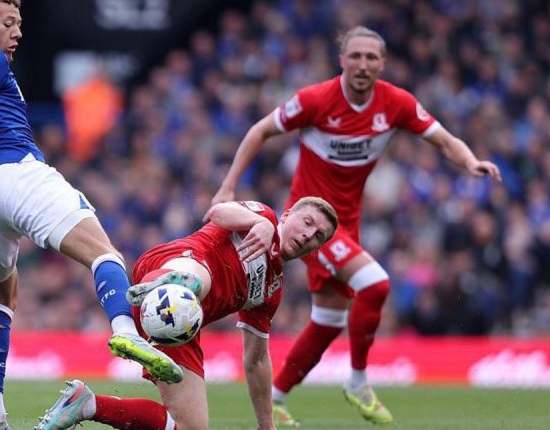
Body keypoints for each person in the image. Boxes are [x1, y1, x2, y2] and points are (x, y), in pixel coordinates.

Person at [0, 0, 184, 430]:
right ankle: (126, 333)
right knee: (104, 254)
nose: (16, 33)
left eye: (19, 25)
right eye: (7, 23)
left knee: (1, 296)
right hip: (15, 173)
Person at [211, 26, 502, 427]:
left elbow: (443, 139)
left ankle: (275, 398)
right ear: (342, 60)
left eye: (371, 58)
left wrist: (470, 161)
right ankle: (359, 382)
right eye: (356, 56)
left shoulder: (395, 103)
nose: (363, 64)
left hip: (347, 224)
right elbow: (260, 130)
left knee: (329, 321)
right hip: (312, 224)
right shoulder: (315, 100)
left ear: (382, 64)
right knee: (376, 283)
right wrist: (227, 186)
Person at [35, 197, 338, 430]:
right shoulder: (264, 217)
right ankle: (176, 282)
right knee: (196, 279)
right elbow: (219, 211)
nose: (309, 235)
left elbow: (257, 359)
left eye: (318, 237)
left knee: (190, 426)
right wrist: (260, 224)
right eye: (307, 222)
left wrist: (266, 425)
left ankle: (86, 404)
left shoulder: (271, 290)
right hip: (172, 262)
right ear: (288, 215)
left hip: (178, 325)